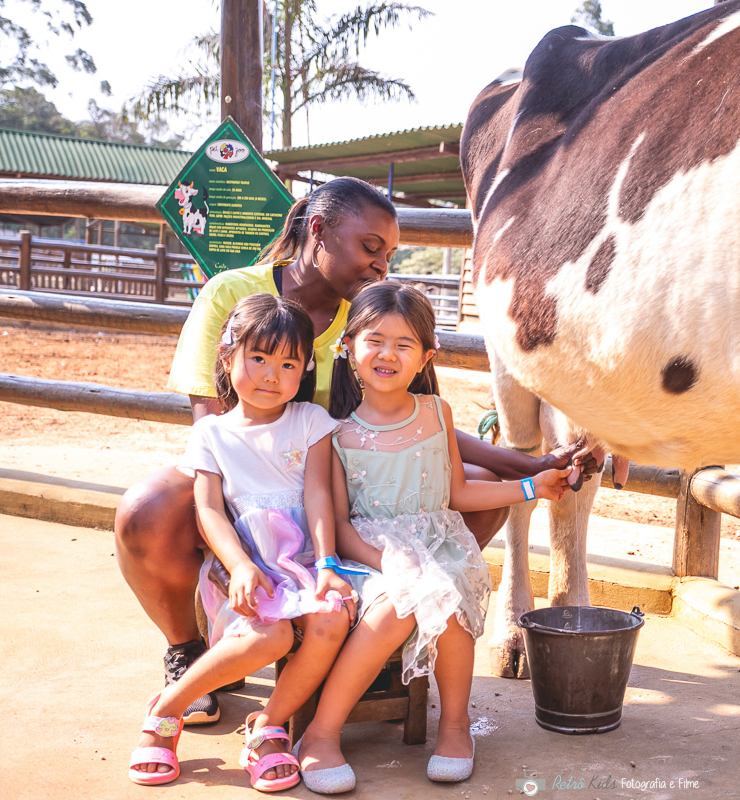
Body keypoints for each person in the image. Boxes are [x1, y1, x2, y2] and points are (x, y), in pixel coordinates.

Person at [114, 177, 576, 727]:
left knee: (474, 497)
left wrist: (532, 465)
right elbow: (212, 425)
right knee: (146, 510)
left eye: (389, 256)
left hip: (334, 486)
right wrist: (244, 536)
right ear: (318, 230)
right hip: (246, 481)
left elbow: (425, 428)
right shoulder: (231, 294)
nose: (381, 267)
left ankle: (383, 632)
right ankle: (188, 650)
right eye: (370, 247)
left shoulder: (368, 324)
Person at [285, 283, 569, 793]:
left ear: (425, 357)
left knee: (451, 593)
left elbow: (457, 493)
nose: (387, 354)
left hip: (441, 545)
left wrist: (532, 485)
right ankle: (321, 734)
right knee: (400, 602)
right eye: (374, 340)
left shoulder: (437, 414)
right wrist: (386, 558)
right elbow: (341, 523)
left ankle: (456, 729)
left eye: (404, 344)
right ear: (347, 347)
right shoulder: (336, 433)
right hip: (371, 555)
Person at [129, 295, 355, 791]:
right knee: (270, 635)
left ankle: (268, 726)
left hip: (306, 558)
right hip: (245, 563)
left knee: (332, 615)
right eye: (259, 358)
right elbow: (208, 509)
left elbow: (319, 496)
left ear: (305, 371)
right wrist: (240, 566)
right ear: (228, 357)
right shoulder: (210, 433)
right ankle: (167, 710)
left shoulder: (311, 423)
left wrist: (328, 563)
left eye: (288, 362)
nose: (272, 374)